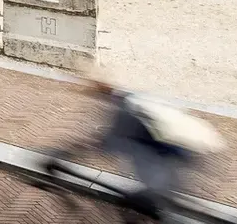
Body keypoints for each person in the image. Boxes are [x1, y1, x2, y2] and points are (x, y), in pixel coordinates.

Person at [51, 75, 222, 219]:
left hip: (159, 168)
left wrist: (68, 153)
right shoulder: (132, 99)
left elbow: (105, 144)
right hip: (175, 160)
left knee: (144, 204)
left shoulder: (122, 113)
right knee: (162, 203)